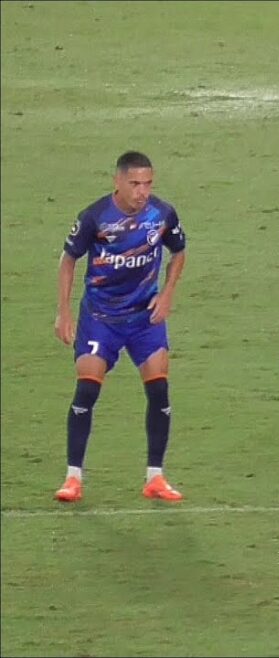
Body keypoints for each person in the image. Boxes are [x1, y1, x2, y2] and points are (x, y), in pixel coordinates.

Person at [53, 151, 188, 503]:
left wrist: (168, 293)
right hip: (101, 319)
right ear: (117, 181)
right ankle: (73, 478)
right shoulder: (95, 217)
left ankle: (155, 478)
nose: (142, 192)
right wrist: (64, 312)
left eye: (147, 184)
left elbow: (179, 251)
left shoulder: (162, 214)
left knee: (159, 391)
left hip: (145, 318)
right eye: (135, 184)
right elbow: (68, 261)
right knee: (87, 390)